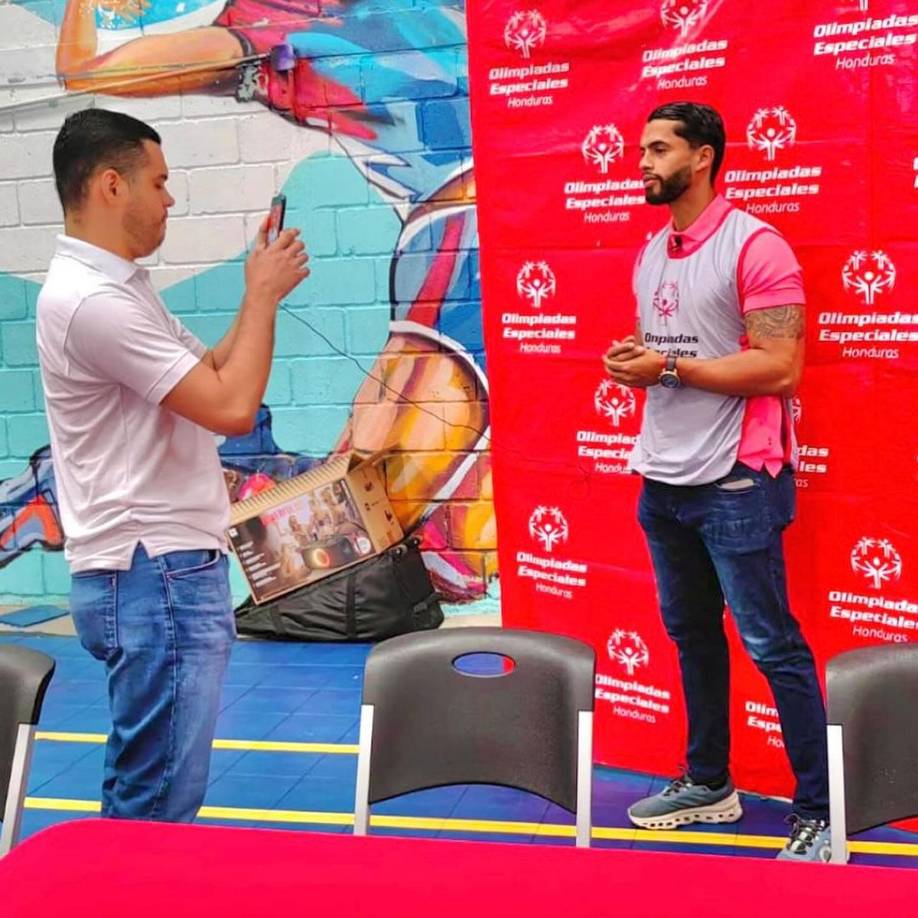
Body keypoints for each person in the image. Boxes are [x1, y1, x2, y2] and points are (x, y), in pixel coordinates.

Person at [36, 107, 309, 821]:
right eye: (158, 182)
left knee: (150, 784)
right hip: (153, 571)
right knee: (156, 801)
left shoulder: (121, 289)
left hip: (151, 569)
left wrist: (258, 294)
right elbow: (229, 406)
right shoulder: (94, 301)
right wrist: (262, 297)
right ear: (110, 187)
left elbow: (208, 369)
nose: (170, 199)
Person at [603, 102, 831, 862]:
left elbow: (781, 366)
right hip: (662, 477)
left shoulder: (756, 245)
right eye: (640, 148)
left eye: (658, 148)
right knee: (693, 636)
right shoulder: (649, 252)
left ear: (702, 158)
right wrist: (638, 359)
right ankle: (709, 784)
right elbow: (678, 346)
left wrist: (667, 367)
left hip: (736, 478)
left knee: (772, 644)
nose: (640, 161)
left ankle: (820, 810)